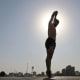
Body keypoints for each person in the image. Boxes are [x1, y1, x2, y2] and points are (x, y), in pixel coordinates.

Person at [45, 11, 59, 78]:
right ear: (54, 22)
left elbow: (56, 21)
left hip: (53, 42)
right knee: (49, 56)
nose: (57, 24)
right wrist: (54, 13)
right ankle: (48, 71)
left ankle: (48, 71)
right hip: (50, 41)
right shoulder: (50, 24)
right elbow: (51, 17)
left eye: (58, 23)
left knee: (49, 57)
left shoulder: (54, 28)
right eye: (56, 22)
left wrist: (56, 18)